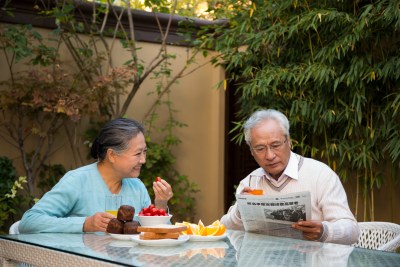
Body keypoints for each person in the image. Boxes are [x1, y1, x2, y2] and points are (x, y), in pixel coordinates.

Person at [221, 109, 359, 245]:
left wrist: (324, 231)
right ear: (251, 151)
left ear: (289, 141)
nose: (270, 156)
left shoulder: (320, 175)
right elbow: (225, 229)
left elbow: (352, 231)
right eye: (260, 149)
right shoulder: (250, 182)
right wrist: (241, 209)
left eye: (275, 145)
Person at [19, 118, 173, 233]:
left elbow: (157, 235)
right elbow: (29, 222)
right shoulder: (77, 181)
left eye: (144, 152)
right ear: (112, 155)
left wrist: (160, 205)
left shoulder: (137, 187)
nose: (143, 160)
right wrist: (85, 224)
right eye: (138, 153)